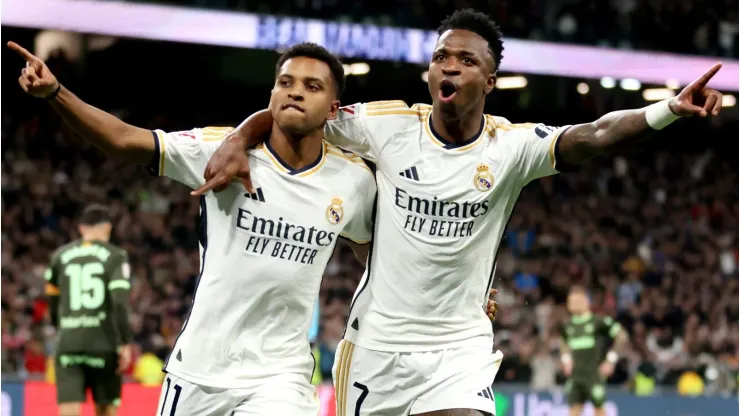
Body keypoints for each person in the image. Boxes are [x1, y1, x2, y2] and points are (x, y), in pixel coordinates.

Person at [197, 7, 724, 415]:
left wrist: (667, 109)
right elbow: (293, 109)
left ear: (490, 83)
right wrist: (241, 137)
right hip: (376, 346)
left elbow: (594, 134)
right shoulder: (385, 126)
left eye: (466, 60)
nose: (450, 65)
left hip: (458, 347)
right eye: (441, 57)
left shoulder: (511, 148)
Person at [9, 40, 377, 415]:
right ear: (272, 94)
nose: (296, 91)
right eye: (286, 82)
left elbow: (373, 255)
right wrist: (56, 92)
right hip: (198, 372)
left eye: (312, 86)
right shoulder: (220, 152)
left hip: (282, 377)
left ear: (334, 109)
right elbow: (124, 139)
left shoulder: (354, 182)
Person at [44, 204, 133, 416]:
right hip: (103, 342)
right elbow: (120, 303)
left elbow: (52, 303)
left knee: (68, 408)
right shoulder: (116, 256)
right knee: (106, 408)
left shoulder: (59, 256)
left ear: (81, 228)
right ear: (108, 228)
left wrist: (62, 329)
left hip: (69, 342)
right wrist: (126, 342)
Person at [559, 287, 629, 416]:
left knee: (599, 409)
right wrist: (566, 359)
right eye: (571, 301)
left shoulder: (598, 321)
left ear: (586, 301)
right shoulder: (568, 326)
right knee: (573, 410)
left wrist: (610, 360)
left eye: (577, 300)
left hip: (594, 374)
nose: (573, 304)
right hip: (575, 376)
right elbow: (563, 342)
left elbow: (622, 335)